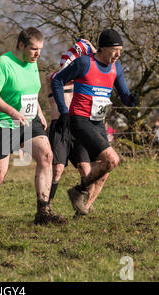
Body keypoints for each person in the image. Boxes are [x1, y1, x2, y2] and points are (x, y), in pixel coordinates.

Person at [0, 27, 61, 226]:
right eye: (33, 49)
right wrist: (12, 112)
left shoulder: (32, 63)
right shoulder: (3, 63)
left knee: (46, 156)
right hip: (2, 123)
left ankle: (43, 211)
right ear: (21, 45)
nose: (37, 53)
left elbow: (29, 91)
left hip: (28, 121)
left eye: (40, 49)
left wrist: (38, 111)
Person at [51, 29, 140, 215]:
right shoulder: (85, 63)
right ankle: (79, 190)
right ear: (102, 48)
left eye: (121, 50)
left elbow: (124, 95)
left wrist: (131, 100)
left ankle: (84, 209)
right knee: (112, 159)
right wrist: (64, 110)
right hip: (80, 119)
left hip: (98, 121)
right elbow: (57, 81)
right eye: (115, 50)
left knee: (104, 171)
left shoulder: (117, 68)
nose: (118, 54)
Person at [47, 39, 108, 216]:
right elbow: (59, 78)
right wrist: (83, 48)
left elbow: (98, 64)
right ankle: (47, 206)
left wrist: (91, 49)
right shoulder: (53, 77)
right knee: (57, 168)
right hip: (60, 126)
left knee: (85, 167)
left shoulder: (86, 76)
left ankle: (83, 206)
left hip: (79, 126)